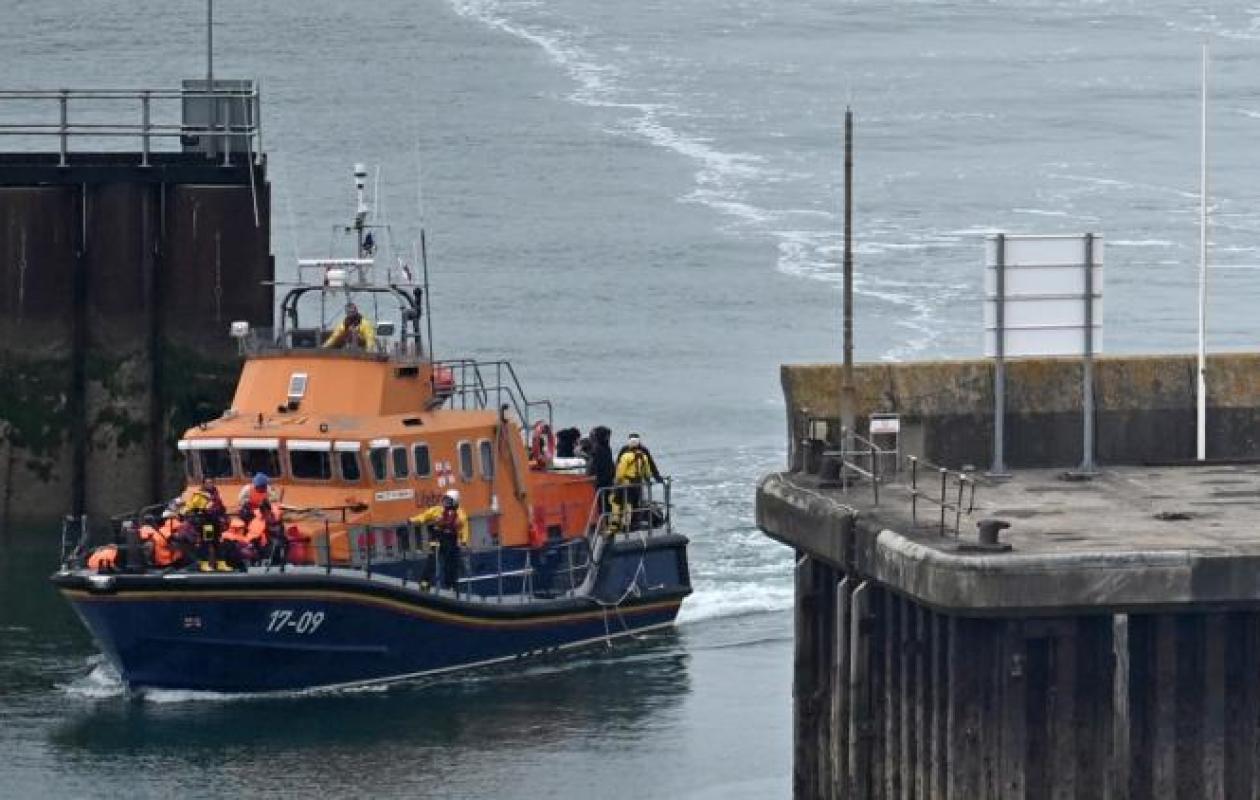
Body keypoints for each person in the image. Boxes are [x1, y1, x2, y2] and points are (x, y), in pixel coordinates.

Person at [410, 490, 469, 591]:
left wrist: (464, 540)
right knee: (432, 560)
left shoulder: (461, 515)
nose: (445, 502)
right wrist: (413, 520)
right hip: (438, 537)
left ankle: (451, 585)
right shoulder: (437, 510)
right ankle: (425, 582)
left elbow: (465, 528)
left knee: (451, 563)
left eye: (448, 500)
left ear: (455, 501)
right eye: (445, 499)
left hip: (451, 540)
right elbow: (424, 516)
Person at [612, 433, 664, 531]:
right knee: (635, 502)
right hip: (638, 482)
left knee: (625, 502)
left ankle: (624, 524)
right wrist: (654, 477)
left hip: (626, 482)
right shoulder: (643, 452)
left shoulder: (625, 451)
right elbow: (649, 466)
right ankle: (633, 523)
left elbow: (619, 466)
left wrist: (616, 479)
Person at [182, 478, 230, 572]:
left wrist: (224, 517)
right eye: (207, 483)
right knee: (206, 543)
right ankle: (204, 564)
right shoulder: (199, 495)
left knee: (218, 543)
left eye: (211, 482)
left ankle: (221, 564)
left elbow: (221, 508)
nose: (210, 484)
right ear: (203, 484)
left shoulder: (216, 494)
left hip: (216, 523)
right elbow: (192, 507)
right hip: (207, 523)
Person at [585, 426, 615, 523]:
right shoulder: (600, 449)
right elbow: (593, 466)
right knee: (603, 505)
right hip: (602, 481)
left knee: (605, 504)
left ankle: (605, 522)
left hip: (604, 481)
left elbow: (592, 466)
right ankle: (604, 523)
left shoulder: (602, 448)